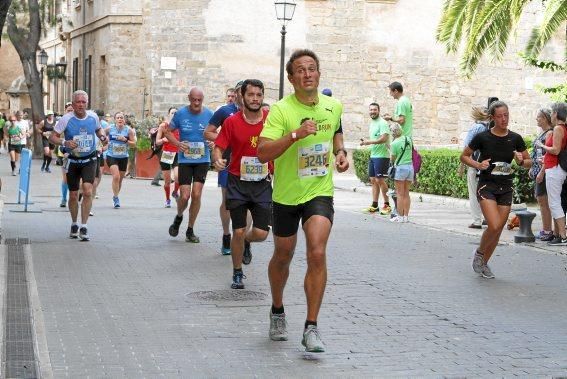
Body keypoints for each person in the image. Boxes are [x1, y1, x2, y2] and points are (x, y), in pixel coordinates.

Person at [257, 49, 349, 353]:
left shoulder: (333, 106)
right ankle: (277, 309)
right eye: (301, 70)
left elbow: (336, 131)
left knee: (317, 251)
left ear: (319, 74)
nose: (307, 74)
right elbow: (263, 152)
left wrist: (340, 152)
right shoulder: (281, 111)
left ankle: (311, 327)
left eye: (312, 68)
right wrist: (295, 135)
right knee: (283, 255)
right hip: (285, 194)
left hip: (319, 191)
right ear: (291, 77)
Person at [460, 101, 531, 278]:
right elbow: (464, 156)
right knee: (493, 224)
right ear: (492, 118)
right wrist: (478, 164)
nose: (503, 119)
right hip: (487, 185)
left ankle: (484, 263)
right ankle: (479, 253)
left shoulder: (515, 138)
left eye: (506, 115)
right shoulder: (483, 137)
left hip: (505, 186)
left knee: (498, 228)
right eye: (499, 116)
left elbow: (528, 163)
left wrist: (521, 160)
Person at [213, 79, 272, 289]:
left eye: (259, 95)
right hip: (238, 182)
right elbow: (218, 146)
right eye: (251, 95)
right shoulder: (231, 122)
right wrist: (217, 158)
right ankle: (237, 272)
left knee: (262, 233)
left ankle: (246, 241)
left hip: (263, 183)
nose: (255, 99)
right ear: (242, 97)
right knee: (237, 230)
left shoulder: (271, 120)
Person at [50, 90, 108, 241]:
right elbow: (52, 137)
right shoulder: (66, 119)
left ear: (87, 103)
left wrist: (102, 136)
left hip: (89, 159)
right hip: (73, 161)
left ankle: (84, 226)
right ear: (73, 104)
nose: (81, 105)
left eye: (83, 102)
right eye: (78, 102)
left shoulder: (93, 116)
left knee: (88, 191)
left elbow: (98, 129)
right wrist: (65, 142)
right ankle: (74, 223)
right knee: (73, 195)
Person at [164, 87, 213, 243]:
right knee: (184, 196)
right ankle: (179, 217)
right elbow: (167, 131)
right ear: (189, 98)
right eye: (194, 100)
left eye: (199, 100)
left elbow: (217, 133)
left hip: (202, 160)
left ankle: (190, 229)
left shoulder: (209, 114)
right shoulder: (181, 114)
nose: (196, 103)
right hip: (185, 160)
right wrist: (178, 144)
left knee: (196, 195)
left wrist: (213, 142)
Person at [204, 81, 243, 256]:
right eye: (242, 92)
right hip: (227, 161)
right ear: (236, 93)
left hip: (249, 163)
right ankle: (227, 235)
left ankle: (243, 238)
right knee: (228, 201)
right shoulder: (225, 111)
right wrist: (225, 138)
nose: (246, 96)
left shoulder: (258, 112)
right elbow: (208, 132)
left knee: (248, 203)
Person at [538, 102, 567, 245]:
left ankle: (562, 235)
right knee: (555, 202)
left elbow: (555, 150)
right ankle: (559, 234)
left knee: (554, 203)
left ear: (556, 113)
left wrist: (542, 145)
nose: (551, 114)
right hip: (553, 166)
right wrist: (544, 158)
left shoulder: (558, 128)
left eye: (552, 112)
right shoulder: (561, 128)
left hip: (555, 169)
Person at [459, 107, 491, 228]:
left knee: (473, 193)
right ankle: (488, 218)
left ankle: (477, 220)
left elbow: (467, 148)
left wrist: (462, 164)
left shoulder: (475, 127)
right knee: (485, 192)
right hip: (486, 164)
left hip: (474, 164)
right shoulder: (491, 128)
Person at [360, 102, 391, 214]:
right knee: (373, 180)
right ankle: (374, 205)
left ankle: (387, 205)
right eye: (371, 110)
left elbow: (384, 138)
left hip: (382, 156)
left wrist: (369, 142)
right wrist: (368, 142)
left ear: (379, 110)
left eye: (375, 110)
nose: (372, 111)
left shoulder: (382, 123)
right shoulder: (372, 123)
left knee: (380, 180)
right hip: (373, 155)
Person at [530, 108, 553, 241]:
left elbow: (548, 155)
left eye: (538, 117)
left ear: (545, 118)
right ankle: (547, 229)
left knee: (543, 201)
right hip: (538, 170)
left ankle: (547, 230)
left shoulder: (549, 133)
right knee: (541, 200)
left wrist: (542, 172)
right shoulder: (543, 133)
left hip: (543, 172)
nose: (536, 119)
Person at [104, 111, 136, 208]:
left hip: (123, 157)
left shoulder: (129, 130)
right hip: (111, 156)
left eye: (121, 118)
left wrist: (125, 140)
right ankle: (116, 198)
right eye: (118, 118)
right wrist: (105, 142)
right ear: (115, 120)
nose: (120, 119)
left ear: (124, 120)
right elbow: (101, 136)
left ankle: (115, 196)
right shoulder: (109, 129)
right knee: (116, 177)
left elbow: (134, 144)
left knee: (120, 179)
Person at [155, 107, 179, 208]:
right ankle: (167, 199)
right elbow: (157, 142)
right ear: (169, 114)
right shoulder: (163, 126)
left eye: (176, 113)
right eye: (172, 113)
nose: (174, 114)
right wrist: (164, 140)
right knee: (167, 181)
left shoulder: (181, 126)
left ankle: (175, 191)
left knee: (178, 176)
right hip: (167, 154)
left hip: (177, 153)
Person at [389, 123, 413, 223]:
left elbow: (392, 158)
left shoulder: (394, 144)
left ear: (392, 132)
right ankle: (406, 217)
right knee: (406, 193)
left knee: (399, 194)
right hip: (410, 167)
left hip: (401, 168)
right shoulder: (408, 139)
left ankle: (400, 217)